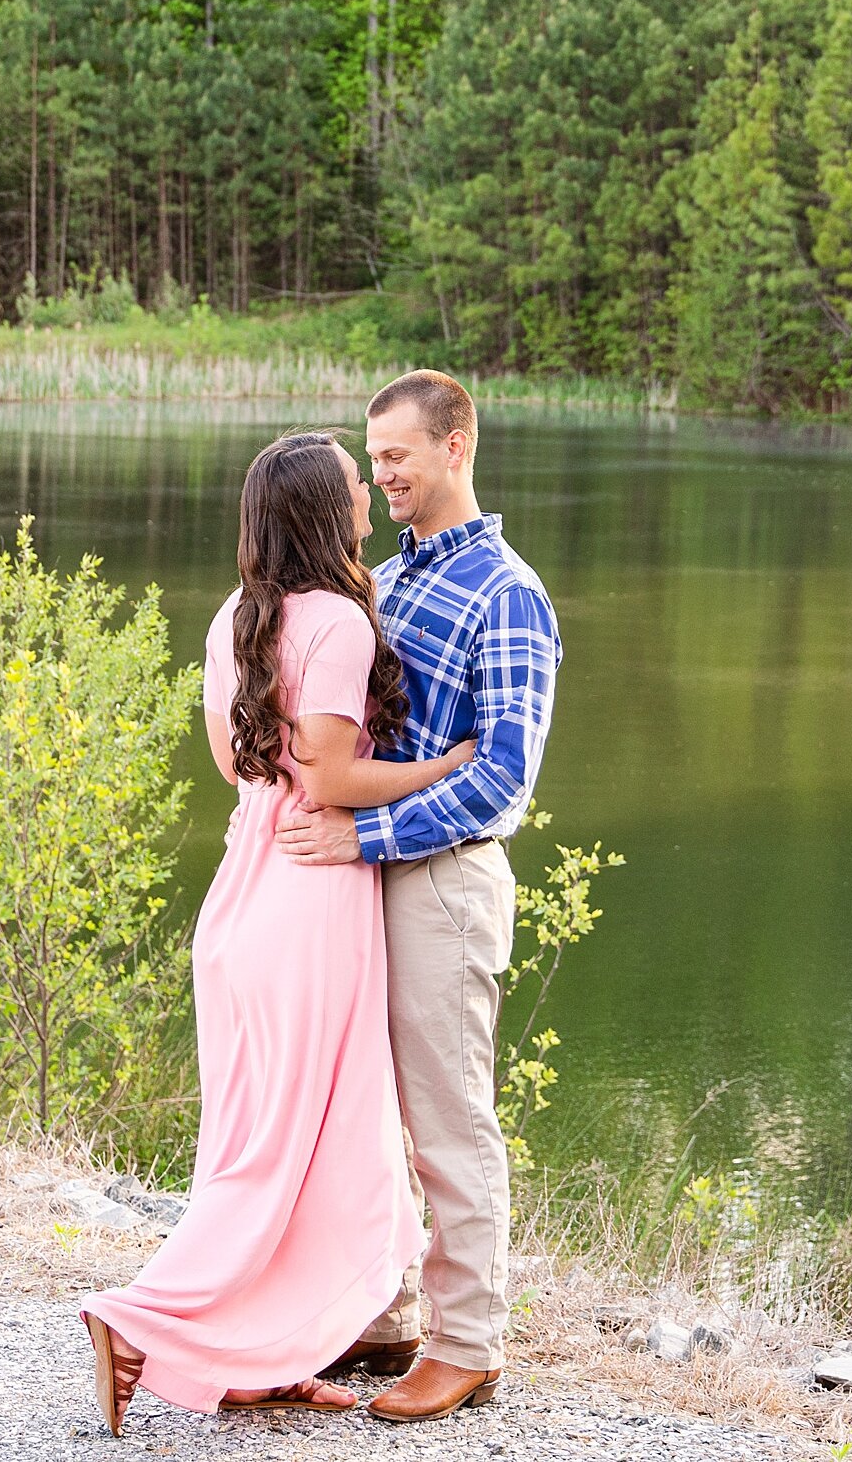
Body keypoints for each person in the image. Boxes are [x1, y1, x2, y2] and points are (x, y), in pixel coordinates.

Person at [80, 431, 477, 1436]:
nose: (364, 492)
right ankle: (138, 1319)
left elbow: (239, 766)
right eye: (351, 482)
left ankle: (263, 1357)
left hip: (243, 897)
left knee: (274, 1147)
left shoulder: (235, 617)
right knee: (288, 1154)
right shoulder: (339, 623)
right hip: (311, 903)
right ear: (319, 511)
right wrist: (451, 766)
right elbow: (334, 781)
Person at [277, 370, 562, 1424]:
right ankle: (385, 1311)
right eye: (374, 457)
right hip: (364, 877)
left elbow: (502, 776)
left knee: (448, 1119)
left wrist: (363, 833)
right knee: (364, 1110)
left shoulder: (508, 592)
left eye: (397, 454)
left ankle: (468, 1345)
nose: (383, 473)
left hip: (442, 883)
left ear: (457, 446)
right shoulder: (383, 585)